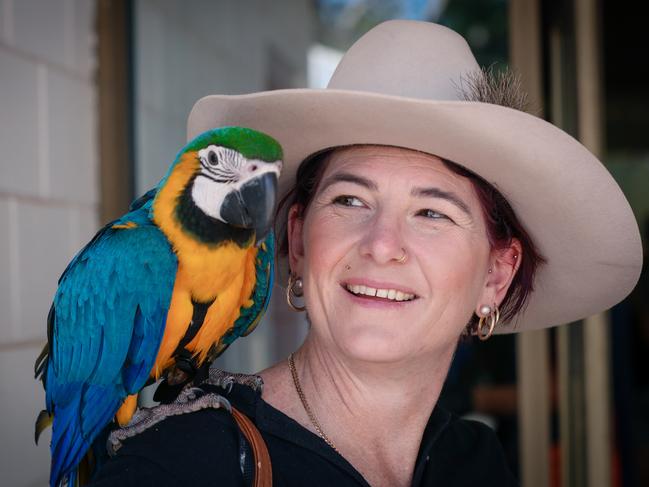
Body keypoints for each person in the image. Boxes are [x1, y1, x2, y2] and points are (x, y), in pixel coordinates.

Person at [87, 20, 642, 487]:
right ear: (299, 242)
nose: (381, 245)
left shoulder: (473, 462)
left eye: (432, 213)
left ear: (496, 277)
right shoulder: (176, 466)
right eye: (350, 200)